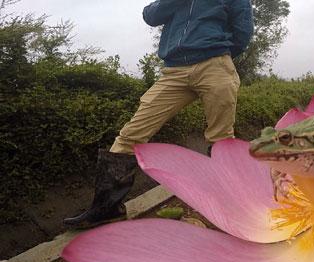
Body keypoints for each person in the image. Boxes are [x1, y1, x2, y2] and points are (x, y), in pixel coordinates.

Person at [63, 0, 254, 229]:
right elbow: (150, 16)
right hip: (173, 71)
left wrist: (217, 52)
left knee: (221, 139)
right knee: (130, 135)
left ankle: (230, 208)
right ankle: (105, 210)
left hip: (215, 66)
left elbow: (243, 31)